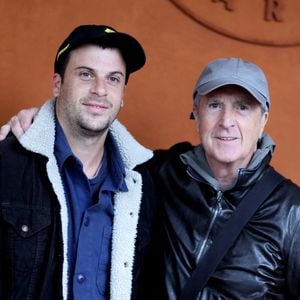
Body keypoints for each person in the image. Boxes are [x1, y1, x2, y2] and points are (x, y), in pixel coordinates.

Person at [2, 58, 300, 299]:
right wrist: (42, 122)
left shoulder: (291, 210)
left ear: (263, 120)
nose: (226, 121)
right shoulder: (154, 174)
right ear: (195, 112)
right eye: (214, 105)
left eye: (243, 107)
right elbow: (90, 143)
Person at [0, 24, 155, 300]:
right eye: (86, 74)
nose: (100, 89)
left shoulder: (142, 183)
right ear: (57, 84)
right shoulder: (7, 164)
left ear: (122, 96)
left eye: (113, 79)